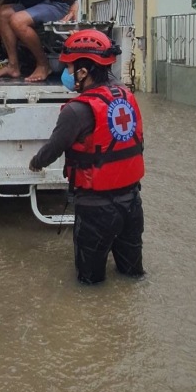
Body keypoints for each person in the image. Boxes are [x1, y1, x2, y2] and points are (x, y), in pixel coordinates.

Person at [29, 30, 145, 285]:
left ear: (83, 72)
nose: (67, 74)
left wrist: (35, 163)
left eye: (69, 68)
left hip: (96, 208)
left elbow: (54, 148)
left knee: (89, 283)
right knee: (132, 275)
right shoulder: (127, 96)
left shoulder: (77, 110)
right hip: (132, 203)